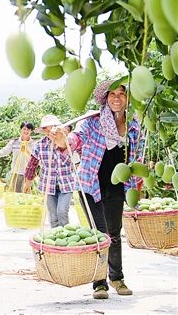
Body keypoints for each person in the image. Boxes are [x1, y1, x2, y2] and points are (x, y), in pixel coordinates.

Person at [53, 80, 143, 300]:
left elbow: (137, 156)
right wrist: (64, 140)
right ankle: (99, 283)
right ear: (105, 98)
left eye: (121, 94)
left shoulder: (133, 126)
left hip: (118, 186)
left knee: (114, 233)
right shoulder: (93, 122)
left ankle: (117, 278)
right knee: (99, 233)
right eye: (111, 94)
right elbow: (77, 138)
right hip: (91, 184)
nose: (116, 98)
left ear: (127, 98)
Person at [23, 115, 75, 228]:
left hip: (66, 184)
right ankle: (56, 240)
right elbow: (32, 164)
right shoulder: (40, 145)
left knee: (62, 212)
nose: (48, 131)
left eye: (50, 128)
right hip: (48, 185)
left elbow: (75, 158)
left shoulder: (68, 142)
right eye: (45, 129)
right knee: (53, 216)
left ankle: (66, 237)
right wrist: (28, 182)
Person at [0, 122, 35, 192]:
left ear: (31, 131)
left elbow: (36, 158)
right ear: (21, 130)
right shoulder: (14, 142)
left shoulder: (34, 143)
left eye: (28, 129)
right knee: (15, 194)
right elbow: (4, 152)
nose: (26, 131)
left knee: (26, 195)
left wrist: (27, 150)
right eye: (24, 129)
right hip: (16, 172)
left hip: (28, 174)